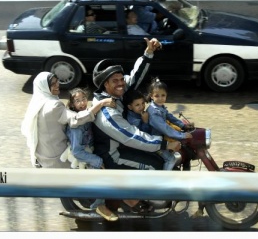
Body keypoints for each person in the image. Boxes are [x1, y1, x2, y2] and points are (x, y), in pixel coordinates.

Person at [91, 37, 181, 171]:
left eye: (121, 79)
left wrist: (149, 52)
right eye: (115, 81)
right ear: (106, 84)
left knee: (163, 157)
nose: (121, 83)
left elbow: (135, 77)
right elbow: (130, 136)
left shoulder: (117, 93)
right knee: (156, 166)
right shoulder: (106, 111)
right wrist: (164, 144)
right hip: (114, 154)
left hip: (126, 145)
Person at [20, 71, 111, 169]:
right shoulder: (53, 105)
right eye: (52, 84)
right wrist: (101, 104)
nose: (57, 85)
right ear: (44, 87)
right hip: (57, 157)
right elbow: (76, 119)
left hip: (42, 155)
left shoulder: (37, 103)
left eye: (56, 81)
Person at [62, 87, 119, 221]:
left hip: (90, 150)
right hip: (83, 156)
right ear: (72, 105)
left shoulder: (86, 115)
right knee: (102, 176)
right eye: (77, 101)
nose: (82, 103)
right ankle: (98, 204)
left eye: (83, 99)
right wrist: (97, 161)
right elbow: (77, 151)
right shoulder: (76, 125)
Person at [146, 77, 194, 170]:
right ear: (151, 96)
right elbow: (165, 128)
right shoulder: (153, 111)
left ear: (166, 95)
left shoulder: (161, 107)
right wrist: (182, 135)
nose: (160, 98)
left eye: (163, 95)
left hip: (164, 139)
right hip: (156, 142)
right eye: (157, 96)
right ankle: (165, 181)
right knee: (170, 159)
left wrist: (183, 125)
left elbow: (170, 117)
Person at [123, 89, 176, 170]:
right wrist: (145, 122)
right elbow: (143, 135)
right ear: (130, 107)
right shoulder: (134, 120)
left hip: (153, 140)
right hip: (147, 145)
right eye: (137, 105)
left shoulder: (138, 113)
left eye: (143, 103)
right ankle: (165, 179)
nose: (141, 107)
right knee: (171, 159)